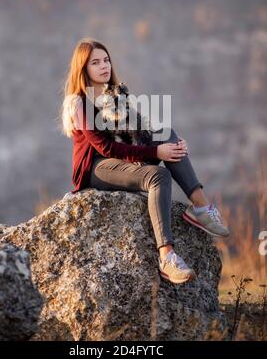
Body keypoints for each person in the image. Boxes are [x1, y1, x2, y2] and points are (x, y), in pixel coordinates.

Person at [60, 37, 230, 285]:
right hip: (97, 168)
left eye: (106, 60)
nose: (104, 66)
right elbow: (105, 147)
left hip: (121, 160)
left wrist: (171, 144)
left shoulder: (116, 95)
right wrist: (156, 154)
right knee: (158, 175)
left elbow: (138, 132)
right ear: (83, 68)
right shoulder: (80, 102)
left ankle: (201, 208)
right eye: (95, 62)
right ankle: (167, 257)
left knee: (167, 133)